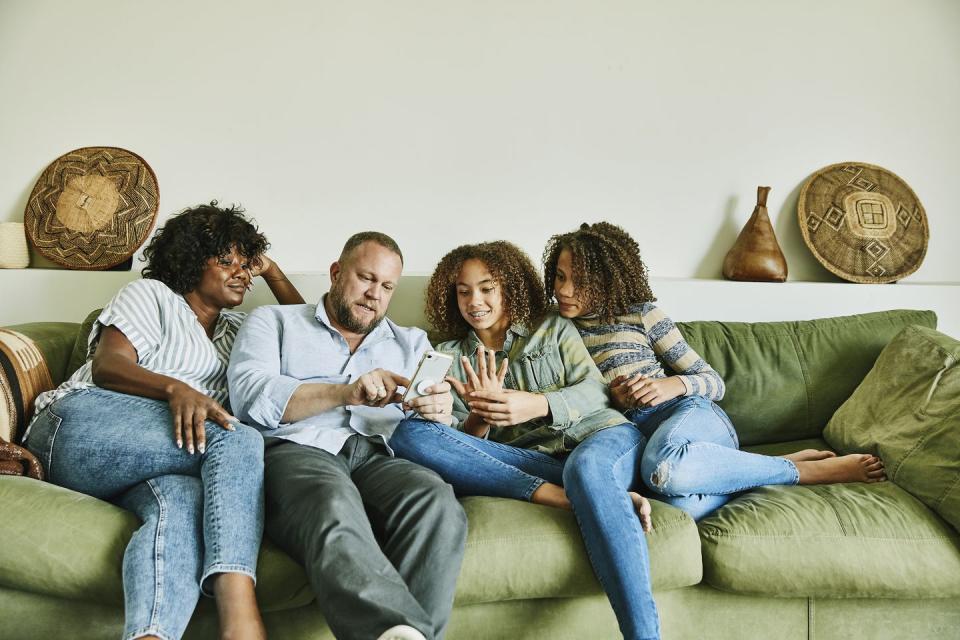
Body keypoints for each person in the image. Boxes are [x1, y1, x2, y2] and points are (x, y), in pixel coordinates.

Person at [23, 201, 305, 640]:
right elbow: (108, 366)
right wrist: (175, 388)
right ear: (192, 259)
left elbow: (306, 337)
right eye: (226, 260)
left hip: (158, 458)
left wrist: (272, 271)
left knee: (183, 502)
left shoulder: (240, 330)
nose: (242, 273)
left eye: (246, 263)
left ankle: (150, 634)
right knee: (237, 438)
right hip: (78, 425)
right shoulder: (151, 295)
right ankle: (240, 617)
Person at [389, 241, 660, 640]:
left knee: (587, 468)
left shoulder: (550, 327)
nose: (474, 301)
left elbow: (597, 392)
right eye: (463, 291)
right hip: (534, 464)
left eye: (486, 288)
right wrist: (480, 418)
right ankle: (578, 494)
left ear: (509, 287)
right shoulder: (446, 355)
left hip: (601, 439)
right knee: (408, 433)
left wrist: (537, 405)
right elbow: (463, 448)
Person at [542, 221, 887, 521]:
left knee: (665, 467)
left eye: (581, 281)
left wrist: (670, 386)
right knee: (678, 507)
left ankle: (800, 472)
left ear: (609, 279)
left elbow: (712, 382)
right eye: (560, 277)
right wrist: (613, 398)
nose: (564, 290)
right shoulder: (555, 330)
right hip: (636, 438)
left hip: (687, 415)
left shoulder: (642, 315)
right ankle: (753, 467)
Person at [226, 232, 467, 640]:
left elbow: (446, 429)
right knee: (331, 501)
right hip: (298, 450)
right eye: (366, 278)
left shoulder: (413, 343)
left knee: (437, 501)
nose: (375, 294)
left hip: (380, 456)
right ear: (337, 273)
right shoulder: (274, 321)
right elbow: (250, 399)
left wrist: (438, 411)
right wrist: (346, 392)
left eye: (387, 286)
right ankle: (392, 630)